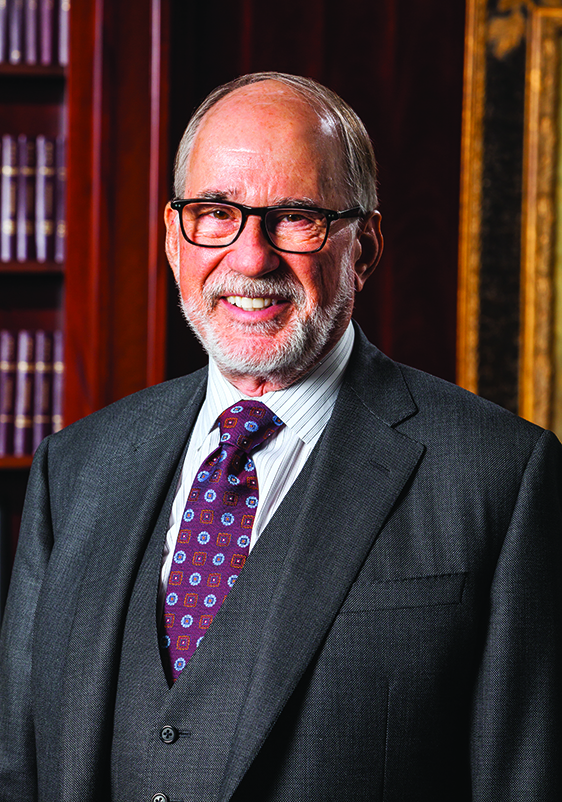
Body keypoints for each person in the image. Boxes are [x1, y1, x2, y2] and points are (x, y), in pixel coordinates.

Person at [0, 72, 561, 802]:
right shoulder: (76, 467)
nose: (251, 257)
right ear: (175, 239)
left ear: (364, 247)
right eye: (215, 213)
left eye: (296, 217)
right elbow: (18, 768)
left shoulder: (500, 477)